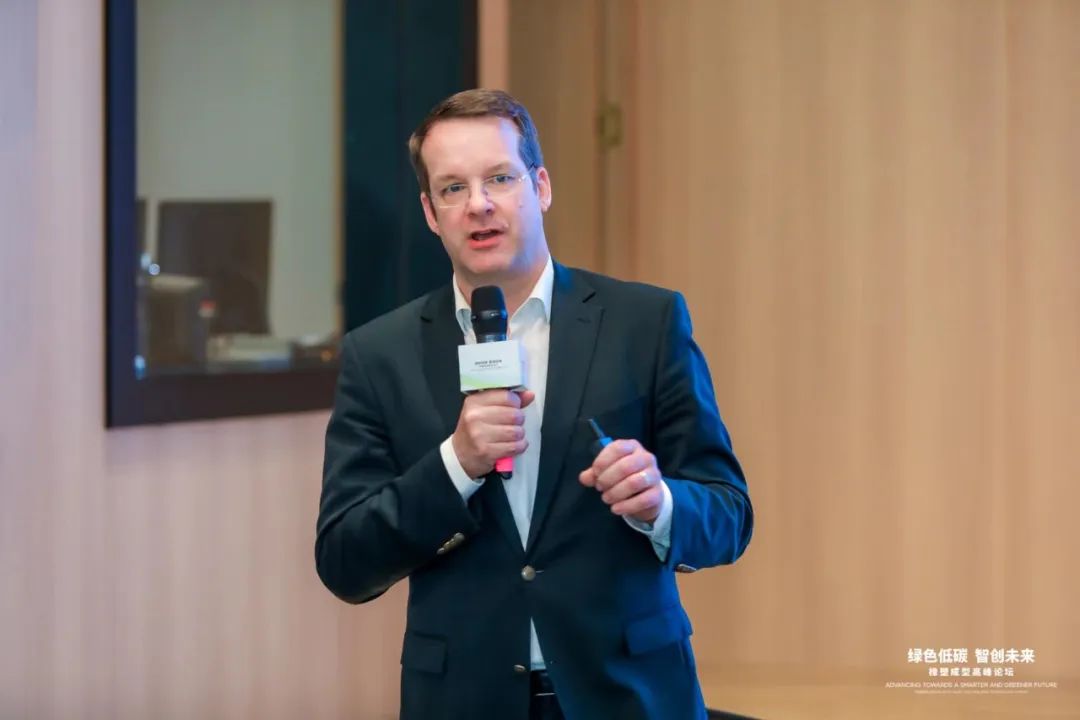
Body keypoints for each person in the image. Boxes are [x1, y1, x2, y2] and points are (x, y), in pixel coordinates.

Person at [316, 89, 752, 720]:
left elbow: (729, 515)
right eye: (453, 188)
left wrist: (660, 503)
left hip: (628, 695)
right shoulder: (379, 354)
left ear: (540, 187)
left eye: (499, 178)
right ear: (431, 213)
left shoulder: (645, 322)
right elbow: (345, 562)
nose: (479, 204)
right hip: (463, 701)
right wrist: (455, 465)